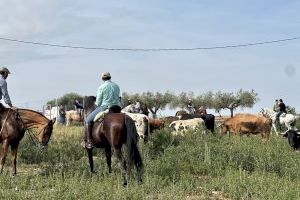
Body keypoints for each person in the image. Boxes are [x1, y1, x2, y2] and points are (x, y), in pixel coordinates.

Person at [84, 72, 120, 149]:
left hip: (105, 107)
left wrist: (96, 103)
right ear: (110, 77)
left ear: (102, 78)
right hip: (117, 108)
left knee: (88, 120)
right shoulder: (117, 86)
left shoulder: (101, 87)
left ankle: (89, 142)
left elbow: (98, 102)